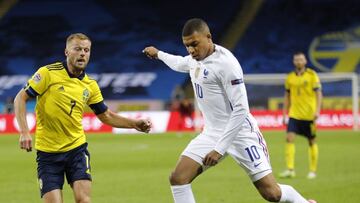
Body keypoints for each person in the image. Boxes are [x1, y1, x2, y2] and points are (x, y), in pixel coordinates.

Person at [143, 18, 316, 203]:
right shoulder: (195, 59)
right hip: (212, 133)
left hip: (240, 133)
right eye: (187, 46)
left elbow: (241, 109)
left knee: (272, 194)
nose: (191, 50)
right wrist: (158, 54)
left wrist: (219, 149)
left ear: (208, 37)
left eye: (194, 44)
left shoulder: (227, 64)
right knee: (178, 179)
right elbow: (179, 63)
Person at [14, 33, 152, 203]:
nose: (82, 53)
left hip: (76, 150)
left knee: (84, 200)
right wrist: (24, 131)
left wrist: (135, 124)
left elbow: (106, 115)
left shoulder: (90, 85)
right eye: (77, 49)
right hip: (48, 153)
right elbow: (20, 98)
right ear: (66, 52)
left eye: (86, 50)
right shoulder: (48, 73)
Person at [279, 52, 322, 179]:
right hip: (294, 114)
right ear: (294, 62)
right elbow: (287, 96)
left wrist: (317, 110)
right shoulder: (290, 77)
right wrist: (284, 114)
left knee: (311, 141)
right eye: (296, 59)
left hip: (309, 115)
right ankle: (290, 169)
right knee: (289, 138)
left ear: (305, 61)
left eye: (301, 59)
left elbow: (319, 94)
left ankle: (313, 170)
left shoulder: (312, 75)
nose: (298, 61)